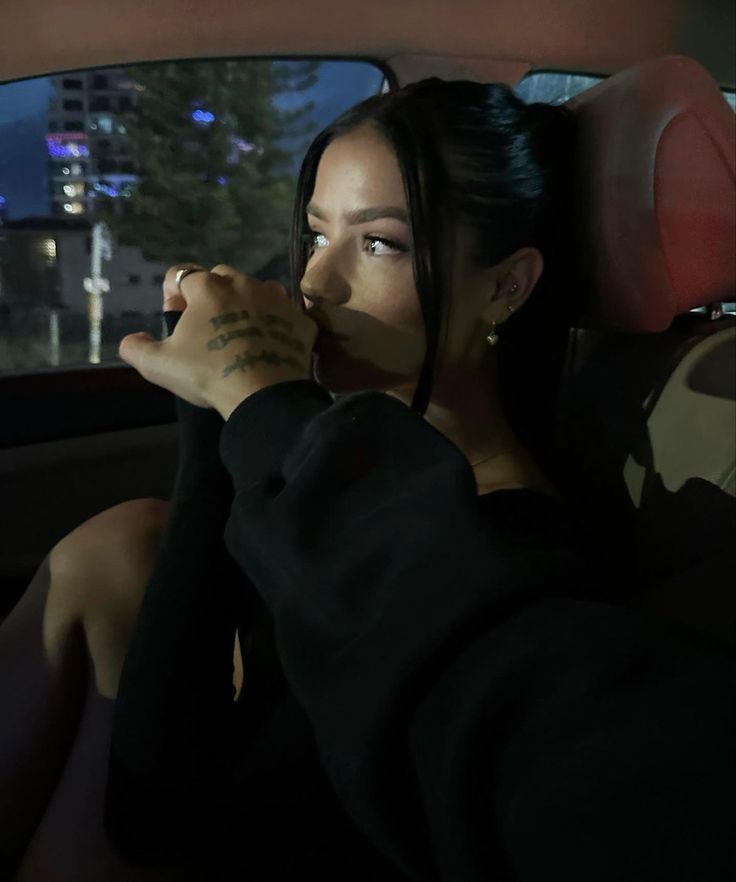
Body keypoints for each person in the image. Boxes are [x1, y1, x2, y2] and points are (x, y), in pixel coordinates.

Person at [1, 78, 733, 881]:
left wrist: (235, 403)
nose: (316, 283)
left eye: (379, 243)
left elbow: (157, 811)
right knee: (126, 537)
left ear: (505, 286)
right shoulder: (368, 479)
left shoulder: (498, 540)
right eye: (316, 235)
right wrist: (218, 406)